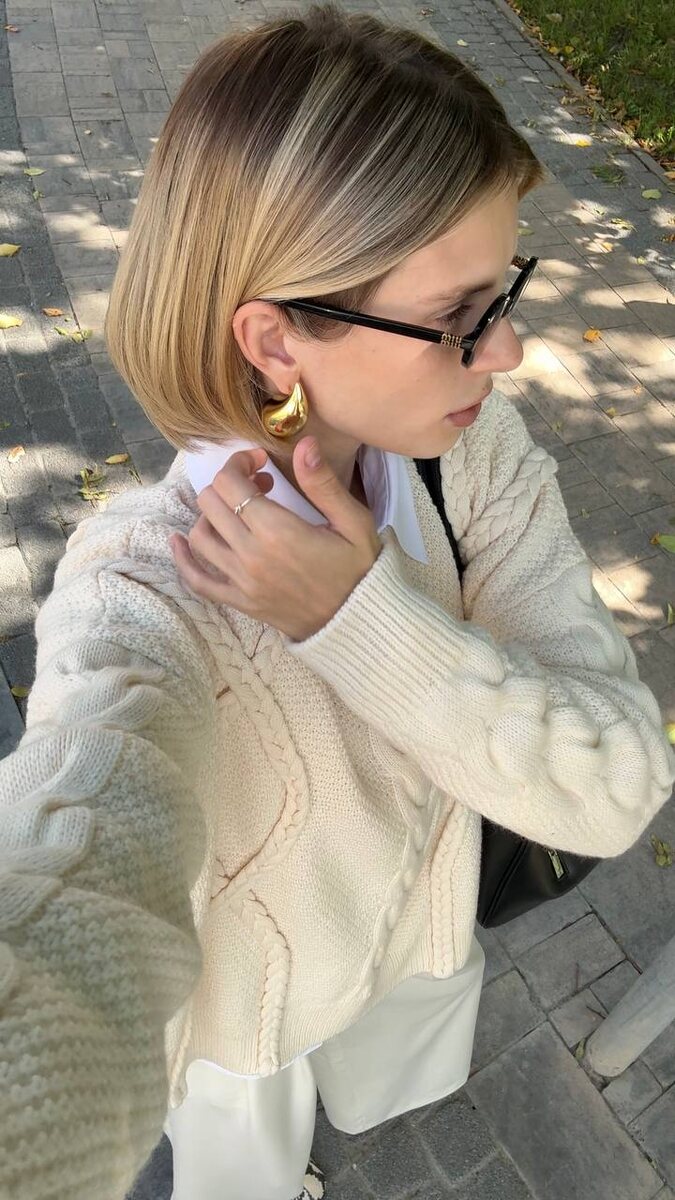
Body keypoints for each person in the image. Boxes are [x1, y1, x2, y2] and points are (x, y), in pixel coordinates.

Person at [1, 6, 674, 1200]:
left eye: (503, 295)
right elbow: (77, 891)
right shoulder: (141, 589)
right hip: (247, 1022)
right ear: (275, 342)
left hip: (419, 945)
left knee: (381, 1081)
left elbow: (619, 784)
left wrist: (363, 617)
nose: (508, 354)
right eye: (458, 319)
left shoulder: (473, 458)